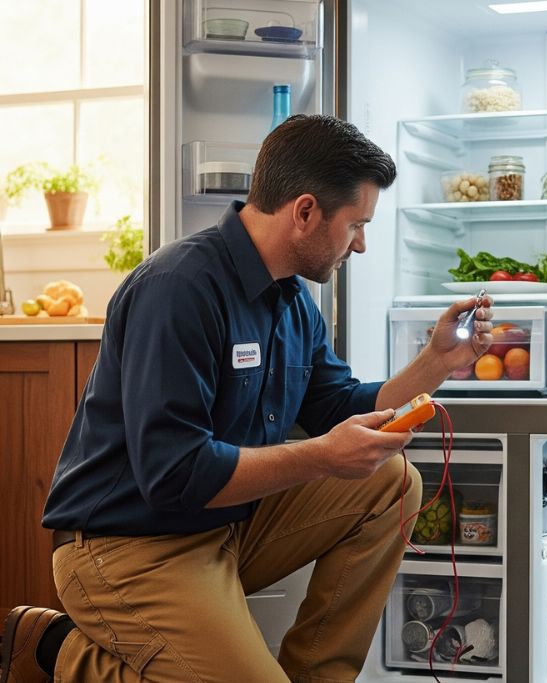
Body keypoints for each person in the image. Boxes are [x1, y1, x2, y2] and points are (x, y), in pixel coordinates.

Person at [0, 115, 493, 683]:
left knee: (391, 482)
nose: (361, 244)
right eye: (356, 224)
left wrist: (437, 363)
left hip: (225, 528)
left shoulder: (292, 299)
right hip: (126, 548)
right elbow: (173, 472)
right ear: (305, 211)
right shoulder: (178, 288)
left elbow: (340, 408)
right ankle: (56, 649)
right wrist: (321, 456)